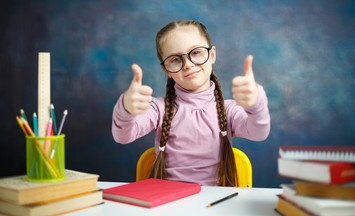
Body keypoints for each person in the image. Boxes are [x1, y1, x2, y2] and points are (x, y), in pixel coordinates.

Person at [112, 19, 270, 186]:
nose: (188, 64)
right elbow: (123, 136)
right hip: (168, 203)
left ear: (212, 54)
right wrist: (126, 108)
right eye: (175, 59)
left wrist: (255, 104)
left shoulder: (228, 110)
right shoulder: (158, 110)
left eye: (195, 53)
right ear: (166, 71)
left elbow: (259, 133)